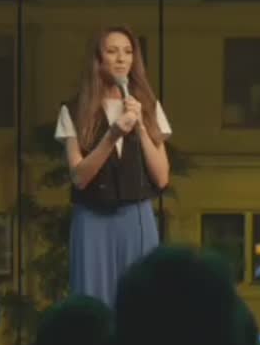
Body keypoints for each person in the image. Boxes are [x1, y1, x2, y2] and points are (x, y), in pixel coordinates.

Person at [55, 25, 173, 308]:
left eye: (128, 52)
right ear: (98, 59)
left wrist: (141, 127)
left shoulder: (148, 106)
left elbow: (161, 178)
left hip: (136, 215)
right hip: (92, 218)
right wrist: (112, 135)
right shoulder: (74, 110)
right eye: (112, 51)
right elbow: (79, 177)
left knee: (141, 300)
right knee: (93, 300)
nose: (121, 59)